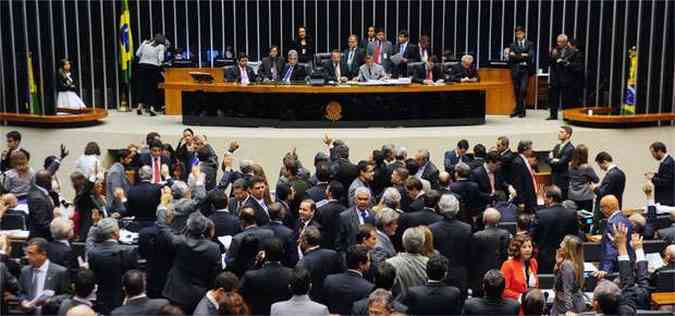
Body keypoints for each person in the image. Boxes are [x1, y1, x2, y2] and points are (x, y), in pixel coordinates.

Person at [160, 212, 221, 313]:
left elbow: (164, 230)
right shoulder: (213, 248)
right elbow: (216, 274)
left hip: (175, 292)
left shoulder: (179, 242)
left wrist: (165, 220)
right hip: (198, 295)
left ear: (188, 226)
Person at [86, 218, 138, 314]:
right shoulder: (128, 252)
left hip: (100, 299)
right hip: (123, 299)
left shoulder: (92, 253)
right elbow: (134, 278)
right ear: (114, 233)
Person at [530, 185, 580, 274]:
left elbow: (532, 235)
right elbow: (575, 236)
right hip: (567, 257)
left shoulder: (541, 214)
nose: (544, 200)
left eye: (544, 197)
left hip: (545, 259)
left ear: (551, 198)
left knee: (545, 284)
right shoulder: (572, 214)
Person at [429, 194, 472, 292]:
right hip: (459, 274)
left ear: (440, 208)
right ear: (457, 208)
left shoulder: (432, 229)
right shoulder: (466, 228)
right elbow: (470, 255)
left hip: (438, 274)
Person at [239, 239, 293, 315]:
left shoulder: (251, 276)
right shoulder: (292, 274)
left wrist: (257, 264)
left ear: (265, 254)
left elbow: (240, 293)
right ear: (283, 252)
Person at [19, 238, 70, 313]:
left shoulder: (60, 272)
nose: (27, 257)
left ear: (43, 254)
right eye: (26, 253)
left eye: (31, 253)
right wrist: (23, 301)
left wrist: (49, 301)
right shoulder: (25, 271)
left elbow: (67, 295)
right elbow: (21, 292)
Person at [321, 244, 374, 315]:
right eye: (369, 261)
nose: (370, 263)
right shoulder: (368, 288)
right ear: (361, 264)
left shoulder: (329, 280)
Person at [297, 227, 344, 303]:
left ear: (305, 241)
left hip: (315, 302)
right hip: (334, 299)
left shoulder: (304, 262)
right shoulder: (333, 254)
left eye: (300, 239)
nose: (298, 241)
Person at [138, 204, 176, 298]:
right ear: (170, 217)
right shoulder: (174, 236)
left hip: (150, 273)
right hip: (168, 277)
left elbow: (142, 253)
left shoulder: (143, 232)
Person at [471, 208, 511, 296]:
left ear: (484, 220)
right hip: (500, 275)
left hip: (481, 277)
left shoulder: (477, 236)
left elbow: (473, 258)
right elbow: (505, 255)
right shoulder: (505, 234)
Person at [226, 207, 275, 275]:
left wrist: (227, 252)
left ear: (242, 221)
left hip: (244, 274)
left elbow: (229, 262)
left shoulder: (237, 239)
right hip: (267, 273)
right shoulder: (270, 233)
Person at [386, 227, 429, 297]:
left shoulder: (389, 264)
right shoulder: (429, 264)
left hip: (399, 304)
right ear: (422, 244)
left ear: (403, 243)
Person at [596, 195, 633, 276]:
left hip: (614, 268)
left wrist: (605, 270)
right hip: (626, 265)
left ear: (608, 208)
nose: (600, 210)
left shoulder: (612, 223)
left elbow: (611, 249)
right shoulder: (626, 219)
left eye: (602, 207)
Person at [551, 235, 586, 315]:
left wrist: (569, 310)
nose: (560, 244)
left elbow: (567, 289)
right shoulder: (576, 262)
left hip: (565, 307)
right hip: (573, 302)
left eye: (563, 243)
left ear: (568, 248)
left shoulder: (567, 265)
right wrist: (558, 265)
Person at [548, 34, 580, 120]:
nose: (559, 43)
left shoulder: (573, 51)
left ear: (566, 42)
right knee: (554, 98)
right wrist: (552, 56)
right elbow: (550, 63)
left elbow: (577, 65)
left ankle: (567, 116)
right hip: (555, 77)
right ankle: (553, 115)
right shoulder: (554, 50)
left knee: (566, 99)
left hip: (566, 78)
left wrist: (567, 64)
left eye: (562, 42)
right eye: (558, 41)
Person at [135, 33, 167, 116]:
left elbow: (137, 54)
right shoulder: (161, 47)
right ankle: (151, 108)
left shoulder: (145, 42)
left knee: (142, 86)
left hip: (142, 66)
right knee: (152, 88)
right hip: (153, 68)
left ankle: (139, 107)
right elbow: (161, 59)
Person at [336, 187, 375, 254]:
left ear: (369, 200)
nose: (362, 202)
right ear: (355, 200)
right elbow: (339, 242)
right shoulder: (345, 216)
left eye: (365, 199)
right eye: (360, 199)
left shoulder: (373, 215)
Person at [500, 234, 539, 302]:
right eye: (524, 247)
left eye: (530, 246)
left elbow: (535, 285)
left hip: (531, 305)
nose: (528, 249)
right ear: (517, 249)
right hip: (514, 305)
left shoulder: (533, 262)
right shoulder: (508, 265)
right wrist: (521, 297)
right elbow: (503, 290)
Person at [508, 27, 535, 118]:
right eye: (517, 34)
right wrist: (523, 54)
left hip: (526, 70)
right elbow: (511, 57)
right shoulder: (512, 45)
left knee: (523, 90)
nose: (518, 35)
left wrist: (516, 55)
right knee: (516, 90)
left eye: (520, 33)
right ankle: (519, 110)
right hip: (515, 69)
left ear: (524, 34)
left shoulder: (530, 44)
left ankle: (520, 109)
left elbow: (530, 56)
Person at [568, 144, 599, 212]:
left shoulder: (570, 165)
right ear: (585, 155)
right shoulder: (587, 167)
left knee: (575, 217)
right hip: (585, 196)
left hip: (572, 195)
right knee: (586, 218)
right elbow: (596, 180)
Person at [27, 170, 57, 239]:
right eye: (51, 180)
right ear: (47, 182)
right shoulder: (38, 198)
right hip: (41, 239)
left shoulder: (38, 191)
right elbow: (42, 223)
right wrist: (58, 230)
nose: (52, 183)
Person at [547, 126, 575, 200]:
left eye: (562, 132)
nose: (559, 134)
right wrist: (553, 160)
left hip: (563, 180)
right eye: (559, 132)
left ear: (568, 135)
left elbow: (561, 163)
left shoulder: (570, 148)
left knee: (562, 200)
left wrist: (552, 159)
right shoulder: (557, 146)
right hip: (554, 177)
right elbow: (547, 159)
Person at [512, 140, 538, 212]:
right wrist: (521, 201)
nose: (532, 150)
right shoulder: (518, 162)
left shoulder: (524, 160)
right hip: (525, 198)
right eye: (530, 149)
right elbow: (518, 183)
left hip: (530, 196)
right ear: (525, 149)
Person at [646, 142, 674, 206]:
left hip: (666, 199)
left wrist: (652, 178)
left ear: (659, 151)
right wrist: (655, 175)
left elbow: (666, 182)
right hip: (666, 198)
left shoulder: (667, 163)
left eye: (653, 153)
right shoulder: (667, 161)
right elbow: (664, 176)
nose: (653, 156)